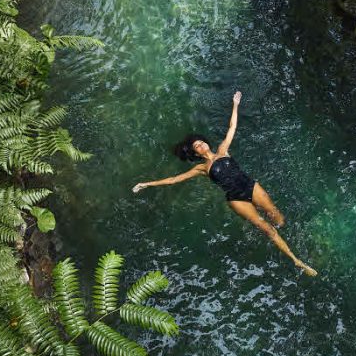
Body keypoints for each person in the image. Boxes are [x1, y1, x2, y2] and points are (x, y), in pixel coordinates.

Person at [132, 91, 317, 277]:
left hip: (251, 186)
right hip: (236, 199)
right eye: (197, 146)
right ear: (196, 153)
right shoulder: (202, 168)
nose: (202, 145)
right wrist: (147, 184)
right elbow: (174, 180)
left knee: (278, 218)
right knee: (267, 229)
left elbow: (232, 127)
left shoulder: (222, 151)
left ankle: (295, 237)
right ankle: (297, 261)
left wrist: (235, 104)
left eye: (201, 142)